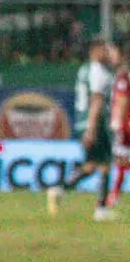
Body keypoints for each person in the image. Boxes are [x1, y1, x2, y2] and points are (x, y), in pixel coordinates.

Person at [48, 39, 118, 216]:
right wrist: (91, 128)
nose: (107, 53)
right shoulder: (98, 71)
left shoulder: (84, 69)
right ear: (94, 51)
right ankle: (101, 209)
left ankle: (60, 189)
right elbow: (96, 100)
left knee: (90, 166)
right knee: (105, 166)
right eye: (104, 50)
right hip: (95, 122)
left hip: (82, 121)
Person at [98, 59, 130, 222]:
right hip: (125, 126)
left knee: (121, 161)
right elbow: (122, 101)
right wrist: (118, 122)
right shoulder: (123, 78)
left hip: (124, 126)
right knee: (121, 161)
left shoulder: (123, 78)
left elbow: (122, 101)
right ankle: (113, 195)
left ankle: (114, 195)